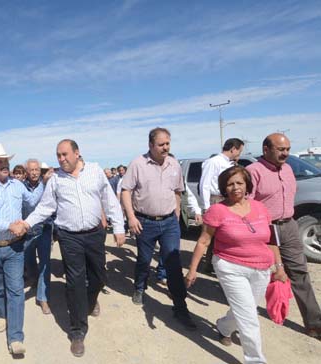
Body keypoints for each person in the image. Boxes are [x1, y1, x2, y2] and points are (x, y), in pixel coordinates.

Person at [19, 139, 125, 357]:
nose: (61, 159)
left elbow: (109, 200)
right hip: (69, 237)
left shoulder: (95, 171)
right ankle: (77, 331)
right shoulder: (56, 179)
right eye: (58, 155)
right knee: (75, 281)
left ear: (77, 153)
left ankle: (90, 300)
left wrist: (119, 226)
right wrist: (27, 223)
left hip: (95, 234)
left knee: (99, 276)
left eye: (65, 154)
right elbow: (45, 207)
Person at [186, 166, 287, 364]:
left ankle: (224, 327)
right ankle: (255, 360)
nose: (235, 188)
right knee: (249, 316)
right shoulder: (217, 211)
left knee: (246, 308)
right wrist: (192, 270)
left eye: (239, 183)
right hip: (230, 266)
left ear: (247, 184)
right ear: (224, 188)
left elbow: (272, 241)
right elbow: (203, 241)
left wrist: (279, 267)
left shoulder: (260, 208)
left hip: (261, 268)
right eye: (229, 184)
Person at [120, 127, 197, 330]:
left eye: (167, 144)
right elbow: (125, 191)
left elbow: (178, 191)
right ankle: (139, 287)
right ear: (150, 145)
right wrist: (131, 217)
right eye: (161, 144)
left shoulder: (174, 164)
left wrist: (177, 212)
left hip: (169, 222)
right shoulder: (138, 164)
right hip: (145, 222)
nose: (165, 147)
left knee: (173, 261)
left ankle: (180, 306)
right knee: (144, 260)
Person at [0, 144, 44, 356]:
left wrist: (42, 182)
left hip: (15, 248)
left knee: (15, 290)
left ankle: (16, 337)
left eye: (6, 161)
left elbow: (31, 201)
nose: (4, 164)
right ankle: (3, 313)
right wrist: (8, 225)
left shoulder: (18, 185)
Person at [247, 133, 321, 338]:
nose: (286, 153)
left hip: (289, 226)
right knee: (258, 275)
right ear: (266, 150)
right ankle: (239, 318)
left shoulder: (288, 169)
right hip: (264, 230)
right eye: (281, 149)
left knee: (300, 272)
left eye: (288, 149)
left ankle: (314, 323)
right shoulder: (253, 172)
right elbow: (246, 205)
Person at [199, 138, 244, 272]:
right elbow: (204, 184)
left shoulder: (230, 164)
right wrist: (206, 207)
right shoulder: (214, 162)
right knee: (212, 235)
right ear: (233, 149)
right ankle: (209, 264)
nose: (239, 154)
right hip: (216, 200)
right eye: (239, 151)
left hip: (227, 199)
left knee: (226, 234)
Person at [22, 159, 53, 314]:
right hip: (27, 232)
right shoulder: (20, 187)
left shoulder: (49, 184)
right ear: (26, 171)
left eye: (37, 170)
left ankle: (43, 297)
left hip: (44, 229)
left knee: (45, 263)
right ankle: (33, 279)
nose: (34, 173)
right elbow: (28, 205)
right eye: (31, 170)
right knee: (29, 261)